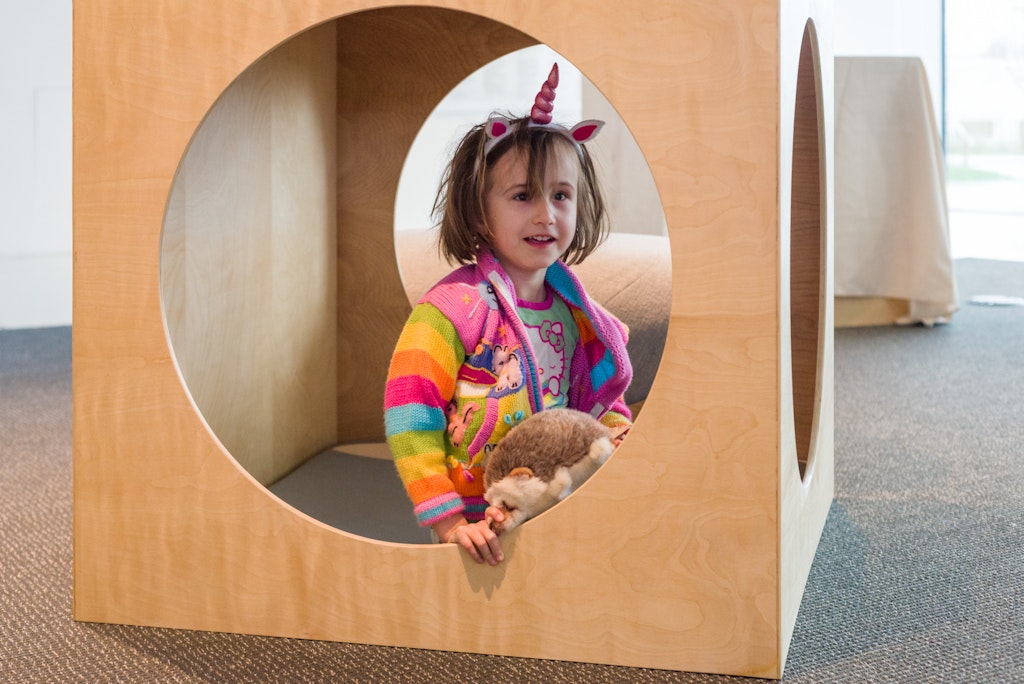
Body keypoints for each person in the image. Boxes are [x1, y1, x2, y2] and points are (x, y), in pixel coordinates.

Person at [384, 63, 632, 565]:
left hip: (555, 504)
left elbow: (598, 405)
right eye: (523, 196)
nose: (546, 214)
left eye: (561, 195)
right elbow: (410, 409)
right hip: (477, 520)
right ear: (479, 211)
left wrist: (616, 444)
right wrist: (449, 520)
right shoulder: (452, 310)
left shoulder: (577, 314)